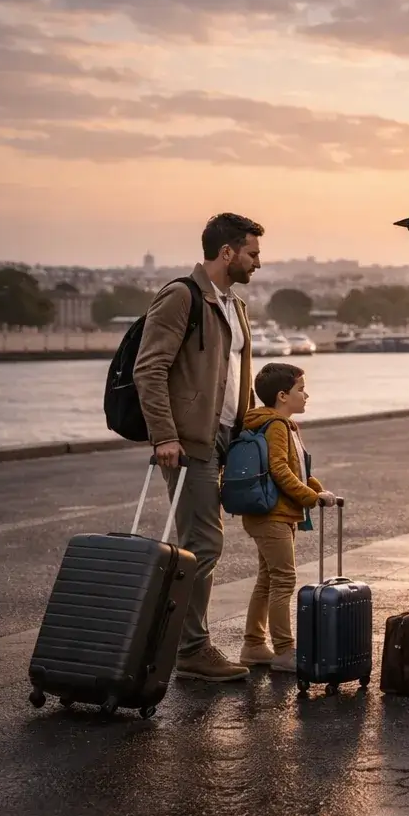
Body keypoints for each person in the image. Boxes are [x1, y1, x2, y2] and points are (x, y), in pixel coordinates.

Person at [134, 212, 262, 682]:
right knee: (201, 545)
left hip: (228, 438)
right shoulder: (180, 297)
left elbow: (233, 375)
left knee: (202, 544)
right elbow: (149, 370)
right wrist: (165, 435)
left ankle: (184, 642)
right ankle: (190, 648)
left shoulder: (235, 305)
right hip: (191, 443)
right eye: (252, 253)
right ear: (226, 252)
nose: (257, 262)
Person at [239, 363, 336, 673]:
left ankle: (254, 645)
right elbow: (280, 470)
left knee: (268, 579)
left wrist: (317, 490)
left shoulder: (277, 424)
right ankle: (283, 650)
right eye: (300, 390)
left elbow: (298, 471)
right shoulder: (277, 425)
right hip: (273, 514)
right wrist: (310, 497)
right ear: (283, 396)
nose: (306, 395)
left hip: (270, 512)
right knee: (283, 580)